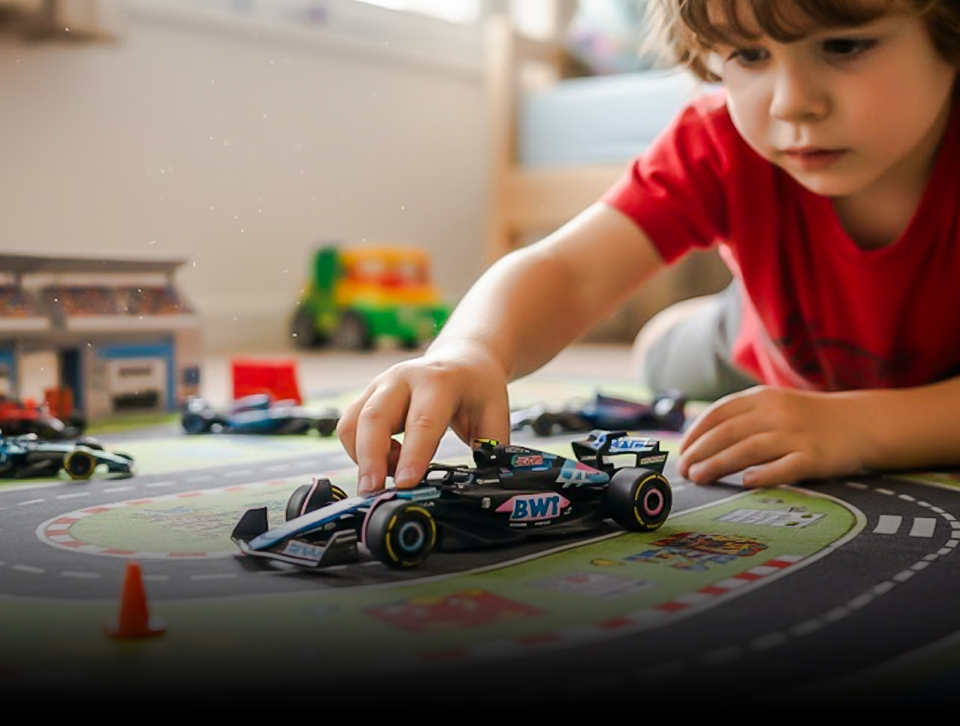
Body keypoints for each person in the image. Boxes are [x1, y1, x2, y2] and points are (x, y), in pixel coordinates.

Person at [337, 0, 960, 495]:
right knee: (665, 359)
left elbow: (869, 431)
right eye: (747, 53)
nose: (792, 102)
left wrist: (862, 429)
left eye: (845, 45)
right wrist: (469, 352)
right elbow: (572, 270)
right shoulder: (716, 144)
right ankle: (710, 322)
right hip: (769, 342)